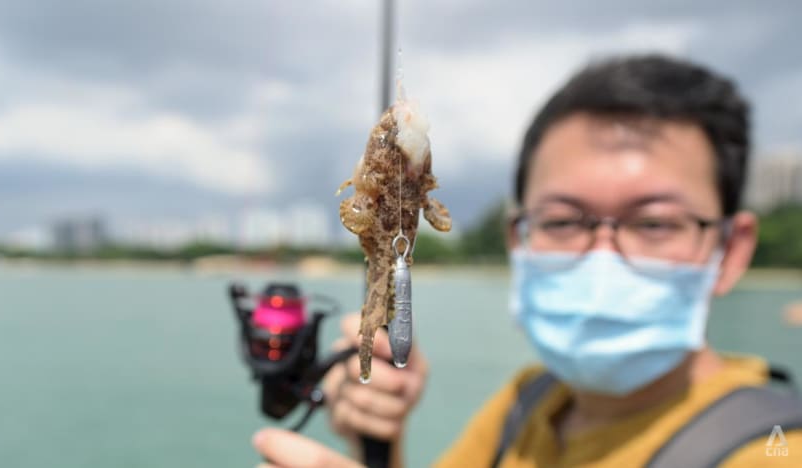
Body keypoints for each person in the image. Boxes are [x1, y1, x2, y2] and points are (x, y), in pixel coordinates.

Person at [252, 54, 802, 467]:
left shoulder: (776, 449)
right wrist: (381, 437)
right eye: (563, 220)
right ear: (519, 239)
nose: (602, 257)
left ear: (729, 250)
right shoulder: (526, 402)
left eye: (653, 223)